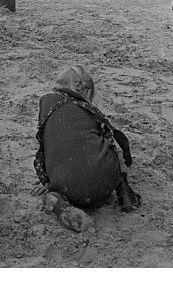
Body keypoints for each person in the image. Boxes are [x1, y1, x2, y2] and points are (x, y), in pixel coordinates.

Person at [31, 65, 141, 232]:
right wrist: (125, 163)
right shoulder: (88, 109)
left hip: (66, 188)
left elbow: (42, 150)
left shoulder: (45, 104)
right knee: (109, 145)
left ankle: (58, 198)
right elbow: (115, 139)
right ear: (79, 87)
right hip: (102, 185)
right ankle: (124, 190)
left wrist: (47, 182)